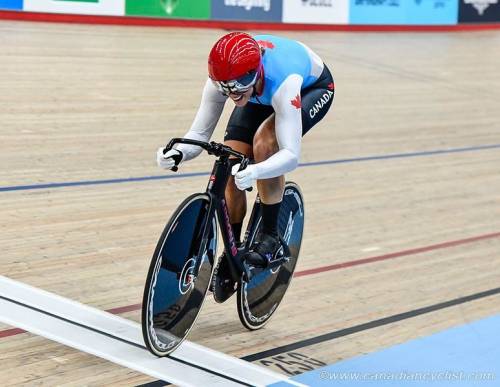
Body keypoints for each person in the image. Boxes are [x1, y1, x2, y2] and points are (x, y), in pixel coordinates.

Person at [157, 32, 334, 300]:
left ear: (257, 70)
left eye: (239, 83)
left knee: (265, 144)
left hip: (312, 88)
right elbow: (199, 135)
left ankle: (272, 238)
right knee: (230, 160)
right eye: (225, 87)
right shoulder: (227, 81)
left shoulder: (285, 82)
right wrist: (178, 153)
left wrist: (257, 170)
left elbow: (291, 155)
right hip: (260, 92)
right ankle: (232, 252)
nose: (232, 92)